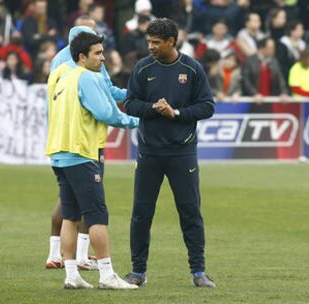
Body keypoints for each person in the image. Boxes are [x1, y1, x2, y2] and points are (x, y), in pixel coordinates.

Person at [123, 18, 216, 288]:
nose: (150, 46)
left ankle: (198, 272)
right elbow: (129, 104)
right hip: (149, 152)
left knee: (190, 212)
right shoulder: (142, 68)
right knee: (141, 213)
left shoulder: (192, 68)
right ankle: (138, 272)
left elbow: (207, 106)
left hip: (182, 152)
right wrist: (154, 108)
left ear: (171, 41)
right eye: (148, 41)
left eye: (155, 42)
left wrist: (176, 113)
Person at [45, 31, 138, 289]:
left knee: (70, 216)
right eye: (97, 53)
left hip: (60, 153)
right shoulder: (88, 78)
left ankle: (72, 274)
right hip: (81, 153)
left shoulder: (59, 75)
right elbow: (107, 113)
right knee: (97, 216)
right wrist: (139, 121)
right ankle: (107, 275)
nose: (103, 58)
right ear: (81, 56)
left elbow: (49, 113)